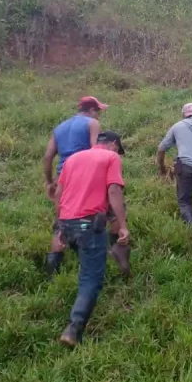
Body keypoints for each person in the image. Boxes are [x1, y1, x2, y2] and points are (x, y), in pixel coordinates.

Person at [53, 132, 129, 347]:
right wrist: (122, 225)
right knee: (91, 279)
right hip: (89, 224)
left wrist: (59, 225)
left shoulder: (72, 159)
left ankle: (81, 302)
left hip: (68, 222)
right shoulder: (111, 158)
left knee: (88, 265)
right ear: (113, 144)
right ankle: (73, 329)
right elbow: (114, 190)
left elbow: (59, 193)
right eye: (118, 148)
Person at [43, 97, 129, 278]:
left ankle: (51, 273)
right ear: (91, 110)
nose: (98, 116)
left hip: (64, 177)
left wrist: (49, 181)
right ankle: (116, 247)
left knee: (61, 220)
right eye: (98, 111)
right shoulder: (92, 123)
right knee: (113, 211)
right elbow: (95, 149)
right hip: (85, 175)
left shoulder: (59, 128)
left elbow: (48, 157)